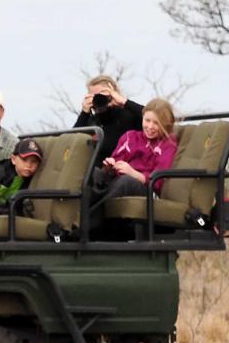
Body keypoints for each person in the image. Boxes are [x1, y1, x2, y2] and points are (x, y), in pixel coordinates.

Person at [86, 98, 178, 236]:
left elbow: (158, 181)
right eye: (147, 120)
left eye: (156, 123)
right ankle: (75, 215)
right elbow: (116, 160)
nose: (150, 126)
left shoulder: (167, 145)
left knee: (126, 181)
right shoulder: (130, 137)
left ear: (165, 125)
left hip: (147, 188)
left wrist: (132, 173)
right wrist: (110, 166)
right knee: (95, 173)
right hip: (119, 179)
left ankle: (86, 225)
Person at [75, 74, 145, 168]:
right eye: (94, 96)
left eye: (101, 95)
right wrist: (84, 113)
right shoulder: (91, 121)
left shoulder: (128, 116)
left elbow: (155, 120)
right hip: (90, 173)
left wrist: (124, 102)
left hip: (120, 172)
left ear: (113, 94)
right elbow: (72, 144)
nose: (98, 99)